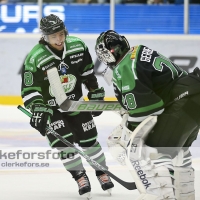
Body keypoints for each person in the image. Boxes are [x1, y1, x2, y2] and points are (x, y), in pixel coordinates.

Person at [95, 30, 200, 200]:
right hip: (194, 96)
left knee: (155, 152)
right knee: (180, 152)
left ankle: (163, 196)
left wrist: (127, 131)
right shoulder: (139, 51)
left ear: (107, 54)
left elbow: (149, 109)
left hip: (183, 102)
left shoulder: (124, 67)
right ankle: (185, 196)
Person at [21, 15, 114, 198]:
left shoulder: (77, 46)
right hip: (52, 109)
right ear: (45, 36)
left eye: (61, 33)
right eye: (54, 36)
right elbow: (30, 90)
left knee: (89, 140)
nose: (59, 39)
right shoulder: (35, 57)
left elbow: (88, 74)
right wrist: (38, 109)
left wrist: (94, 93)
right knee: (64, 145)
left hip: (75, 103)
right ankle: (80, 176)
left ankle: (102, 172)